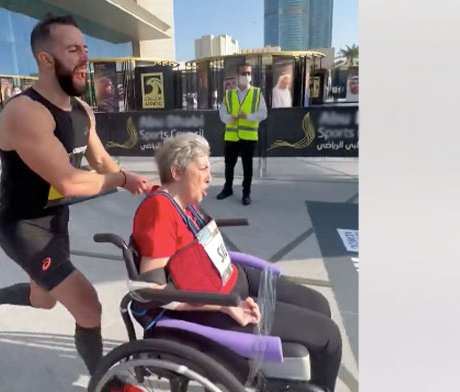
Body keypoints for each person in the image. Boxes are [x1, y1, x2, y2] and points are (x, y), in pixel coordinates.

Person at [0, 12, 151, 390]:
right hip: (24, 228)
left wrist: (141, 185)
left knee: (43, 299)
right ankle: (110, 383)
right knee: (88, 305)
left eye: (85, 49)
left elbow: (100, 162)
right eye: (73, 50)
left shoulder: (81, 111)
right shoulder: (24, 112)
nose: (84, 58)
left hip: (54, 223)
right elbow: (69, 181)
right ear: (45, 60)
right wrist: (120, 179)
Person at [130, 133, 343, 391]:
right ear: (177, 172)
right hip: (222, 303)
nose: (210, 176)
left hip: (233, 278)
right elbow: (152, 293)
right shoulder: (159, 211)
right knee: (330, 337)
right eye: (204, 168)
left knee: (318, 304)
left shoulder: (184, 203)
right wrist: (222, 307)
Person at [216, 63, 268, 206]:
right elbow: (222, 113)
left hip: (249, 137)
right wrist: (229, 118)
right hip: (232, 136)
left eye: (249, 74)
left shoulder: (257, 93)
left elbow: (263, 113)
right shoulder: (229, 94)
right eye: (244, 73)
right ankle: (228, 189)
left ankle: (246, 193)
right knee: (229, 165)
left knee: (247, 166)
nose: (246, 76)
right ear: (238, 76)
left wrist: (247, 116)